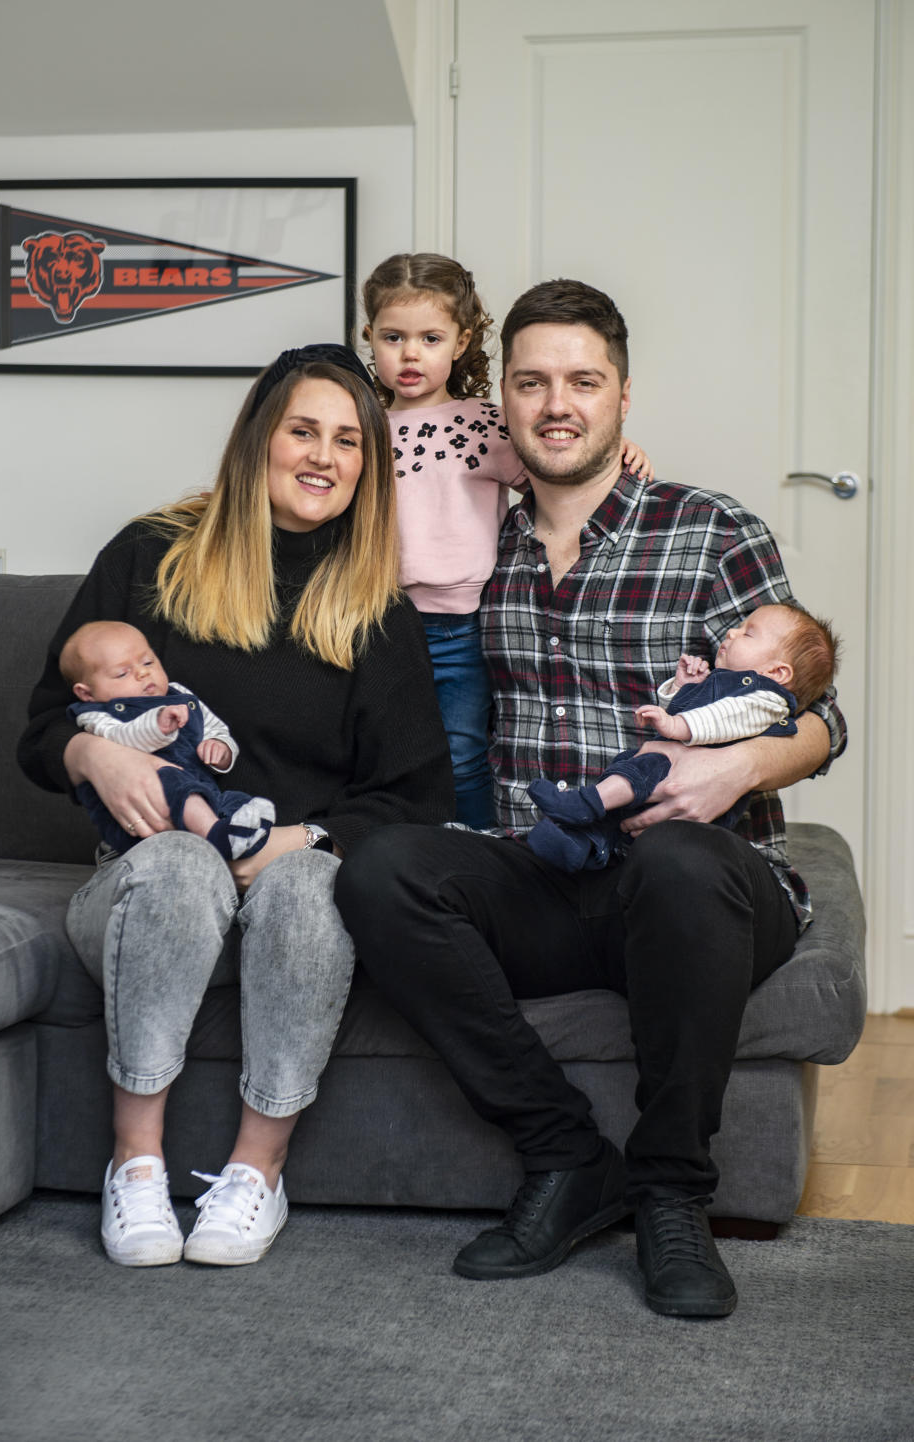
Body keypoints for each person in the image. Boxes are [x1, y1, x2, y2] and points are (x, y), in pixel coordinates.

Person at [335, 281, 847, 1319]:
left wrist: (734, 767)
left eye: (582, 380)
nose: (556, 403)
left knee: (676, 860)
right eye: (531, 381)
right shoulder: (473, 550)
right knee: (383, 867)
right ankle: (568, 1156)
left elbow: (827, 720)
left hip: (702, 882)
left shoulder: (710, 529)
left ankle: (670, 1190)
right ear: (502, 400)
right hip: (551, 874)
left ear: (622, 396)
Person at [18, 343, 454, 1269]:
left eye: (348, 442)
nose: (323, 457)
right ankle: (134, 1167)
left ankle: (256, 1172)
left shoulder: (375, 612)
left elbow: (416, 798)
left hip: (291, 893)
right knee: (178, 860)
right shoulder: (151, 554)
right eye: (303, 430)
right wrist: (92, 749)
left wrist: (296, 840)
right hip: (146, 889)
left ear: (368, 470)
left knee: (307, 883)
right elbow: (41, 729)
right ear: (261, 438)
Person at [361, 252, 653, 828]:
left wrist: (625, 452)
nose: (411, 353)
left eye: (430, 337)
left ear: (462, 341)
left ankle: (473, 842)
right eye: (393, 337)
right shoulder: (362, 423)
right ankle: (398, 845)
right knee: (382, 751)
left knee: (464, 751)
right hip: (377, 616)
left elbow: (558, 472)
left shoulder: (485, 424)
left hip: (460, 623)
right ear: (369, 338)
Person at [527, 601, 840, 872]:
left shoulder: (767, 700)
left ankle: (584, 803)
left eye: (748, 632)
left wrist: (676, 726)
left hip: (691, 789)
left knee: (637, 770)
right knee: (627, 786)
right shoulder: (729, 682)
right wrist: (682, 687)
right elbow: (690, 710)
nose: (731, 632)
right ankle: (580, 846)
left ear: (778, 672)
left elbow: (723, 720)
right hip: (670, 769)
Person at [60, 620, 277, 861]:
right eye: (123, 673)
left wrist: (221, 748)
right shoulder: (95, 715)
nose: (143, 673)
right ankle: (216, 836)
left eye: (148, 662)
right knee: (172, 779)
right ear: (86, 692)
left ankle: (239, 835)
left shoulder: (180, 695)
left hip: (203, 794)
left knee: (234, 800)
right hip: (148, 811)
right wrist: (157, 725)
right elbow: (120, 738)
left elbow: (216, 728)